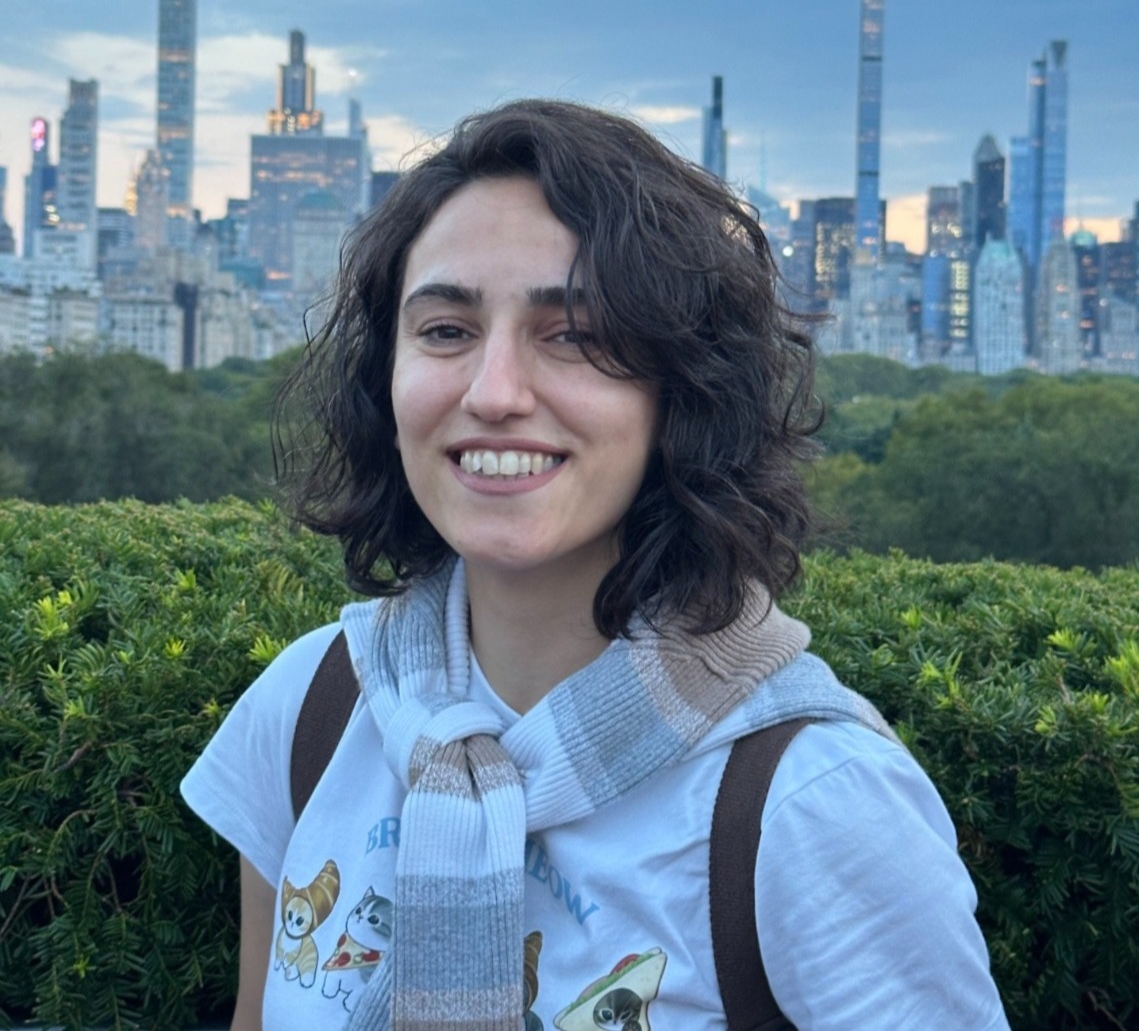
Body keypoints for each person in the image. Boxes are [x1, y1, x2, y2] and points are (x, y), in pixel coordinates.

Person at [182, 99, 1011, 1031]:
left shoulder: (813, 799)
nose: (493, 393)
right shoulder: (314, 706)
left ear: (680, 387)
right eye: (446, 330)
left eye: (572, 334)